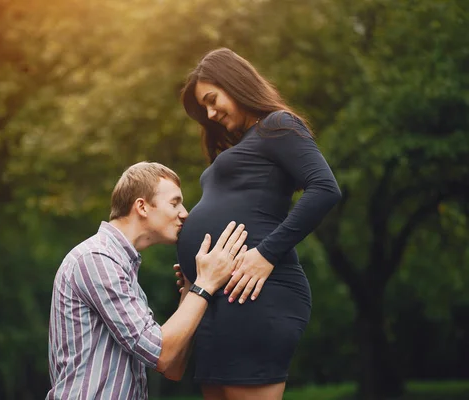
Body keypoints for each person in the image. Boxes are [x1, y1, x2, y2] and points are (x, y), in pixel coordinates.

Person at [176, 48, 342, 400]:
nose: (210, 113)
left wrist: (265, 254)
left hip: (256, 293)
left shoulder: (278, 126)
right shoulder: (246, 146)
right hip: (216, 298)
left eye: (212, 99)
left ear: (234, 83)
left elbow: (325, 188)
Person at [46, 161, 248, 400]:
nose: (185, 213)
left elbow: (172, 367)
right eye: (174, 203)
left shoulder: (122, 268)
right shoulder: (97, 259)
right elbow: (161, 354)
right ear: (142, 206)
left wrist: (191, 290)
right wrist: (206, 284)